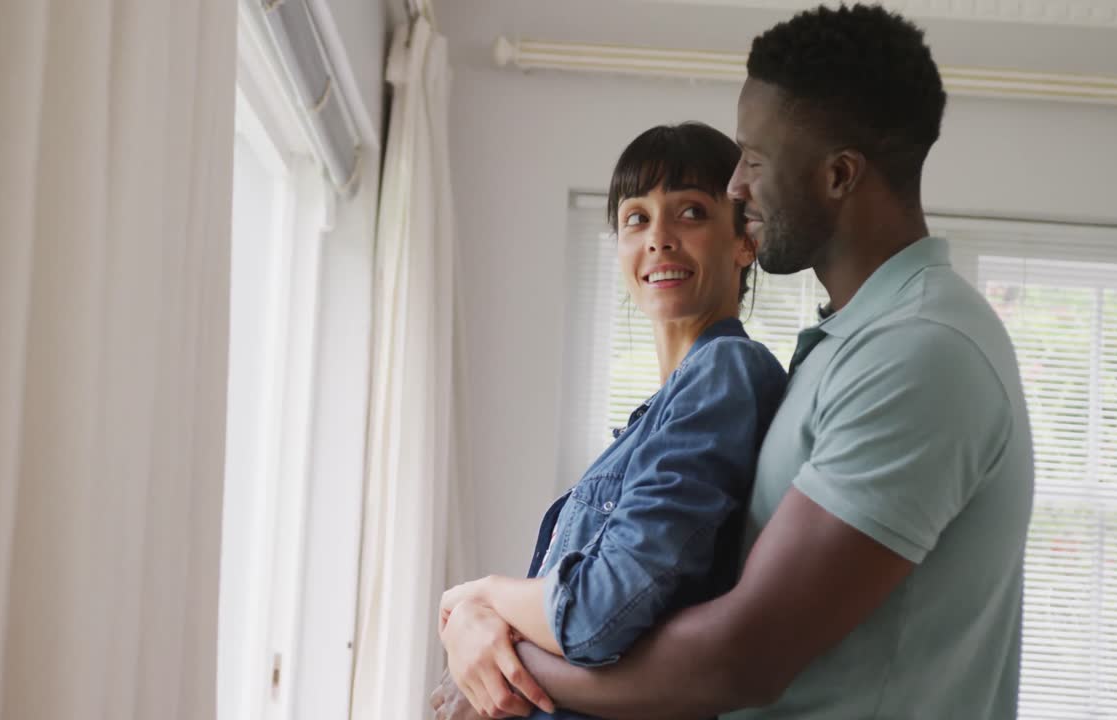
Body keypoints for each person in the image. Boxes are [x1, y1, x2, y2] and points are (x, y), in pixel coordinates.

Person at [433, 5, 1035, 719]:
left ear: (838, 175)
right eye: (634, 218)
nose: (738, 188)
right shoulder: (845, 347)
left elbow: (738, 659)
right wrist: (485, 626)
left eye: (754, 159)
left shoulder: (920, 352)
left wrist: (498, 647)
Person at [435, 122, 789, 719]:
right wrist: (475, 624)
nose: (659, 239)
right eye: (636, 219)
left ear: (744, 242)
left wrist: (482, 597)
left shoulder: (725, 371)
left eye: (691, 213)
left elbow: (597, 612)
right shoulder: (659, 414)